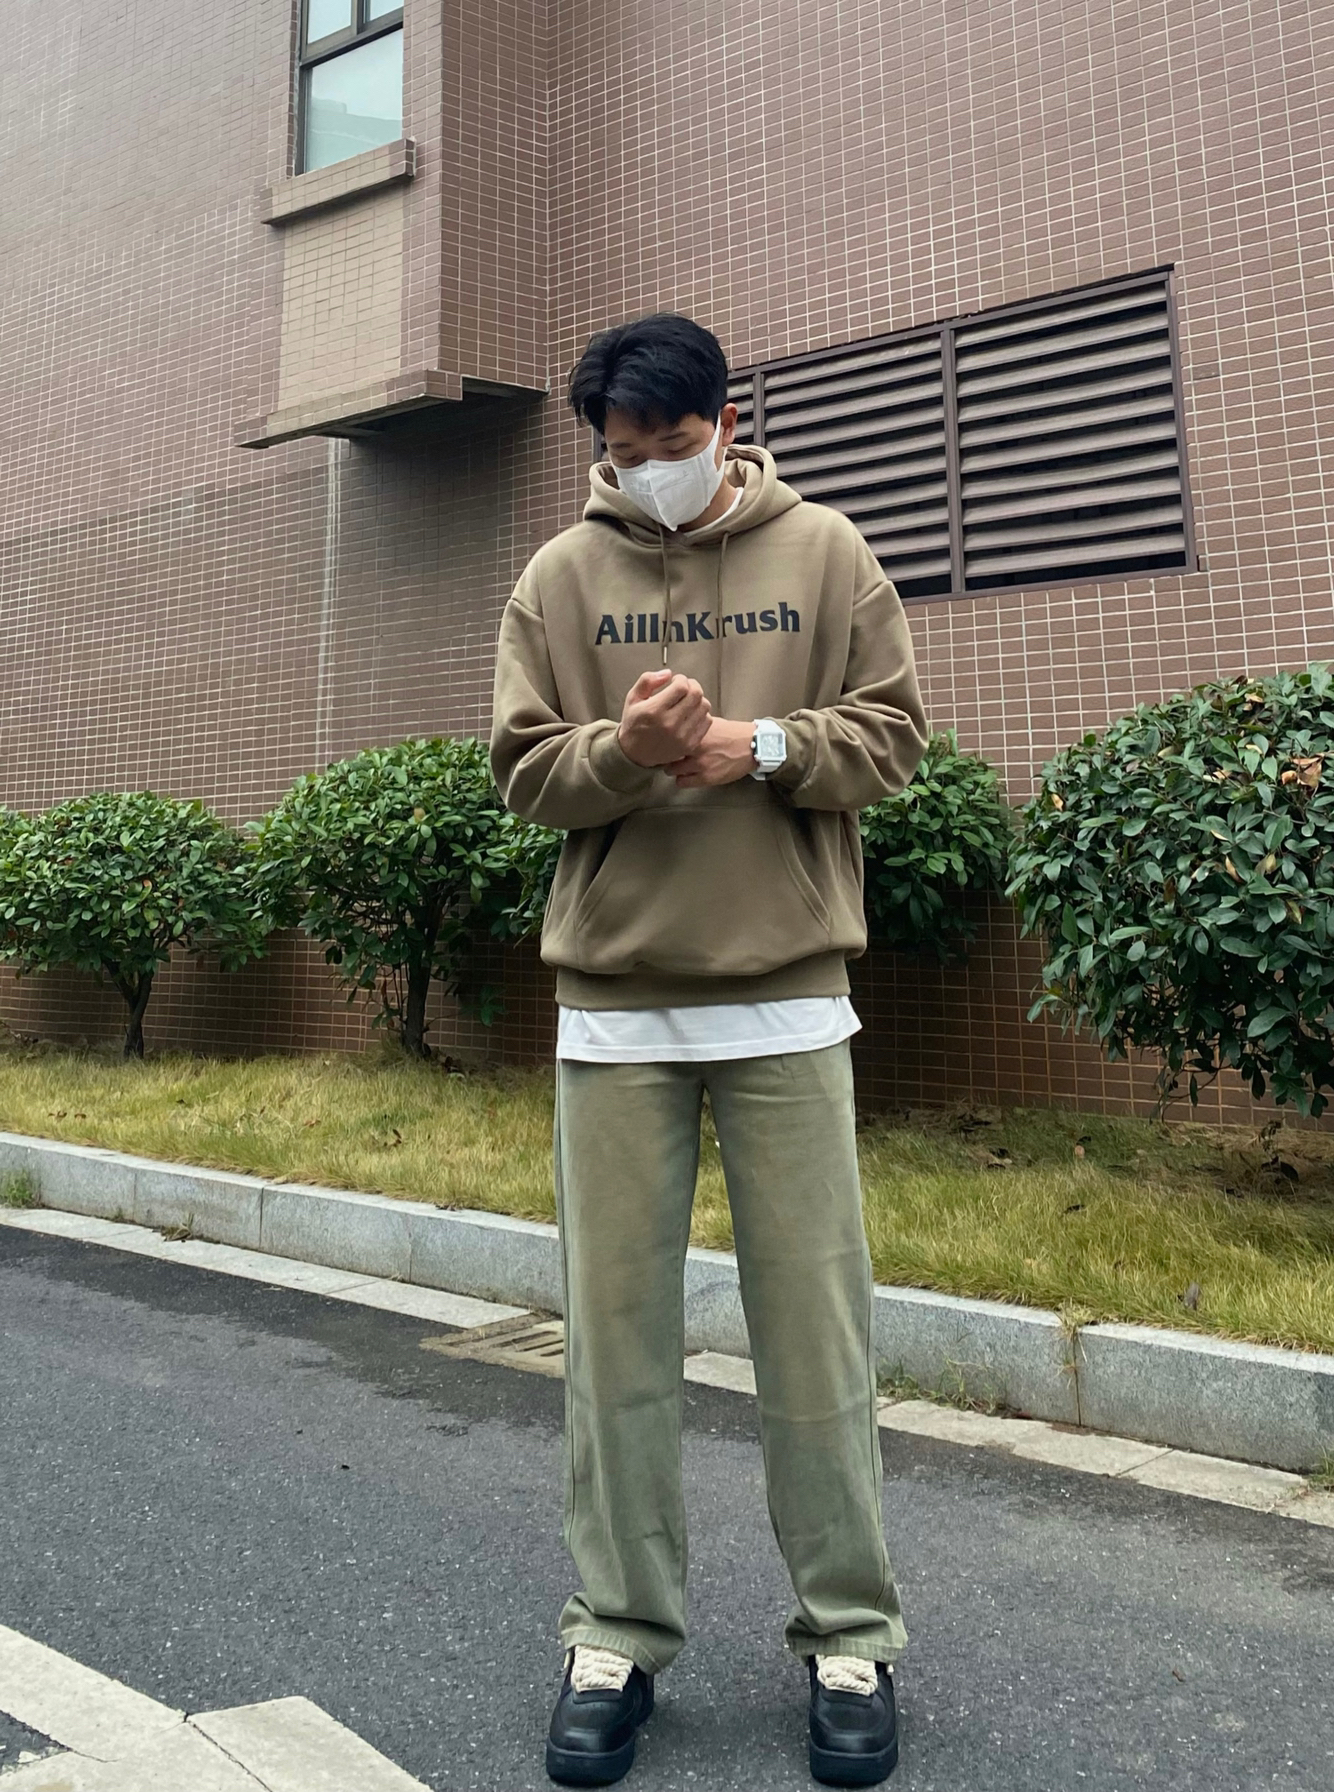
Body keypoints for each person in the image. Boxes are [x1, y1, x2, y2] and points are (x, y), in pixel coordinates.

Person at [489, 312, 929, 1788]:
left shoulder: (828, 552)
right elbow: (523, 776)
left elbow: (893, 738)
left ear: (725, 423)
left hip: (788, 1000)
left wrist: (759, 747)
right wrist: (625, 752)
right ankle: (614, 1635)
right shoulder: (560, 577)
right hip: (616, 1010)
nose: (653, 472)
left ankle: (850, 1638)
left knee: (817, 1339)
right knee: (613, 1344)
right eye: (626, 453)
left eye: (674, 445)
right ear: (599, 449)